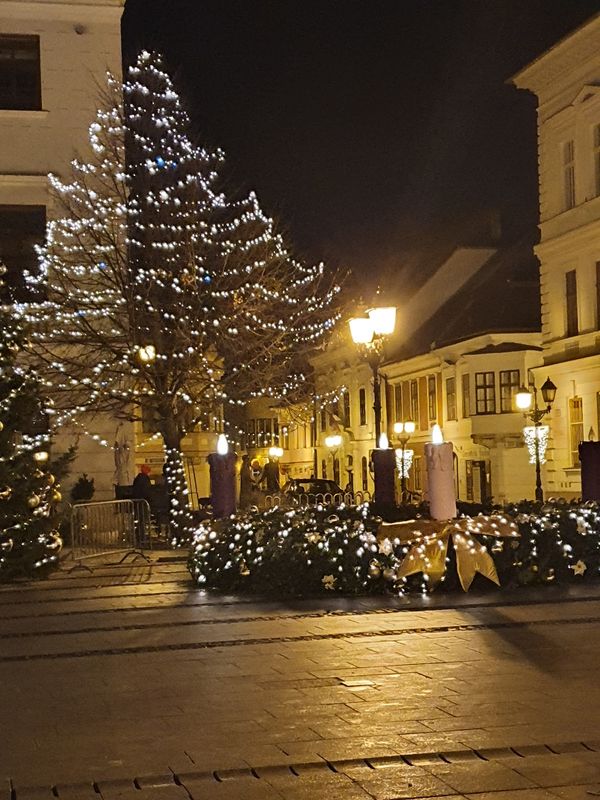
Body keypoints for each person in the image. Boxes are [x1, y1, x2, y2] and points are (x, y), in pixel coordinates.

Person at [132, 464, 152, 544]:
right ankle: (141, 537)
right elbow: (147, 491)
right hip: (142, 502)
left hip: (138, 502)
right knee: (142, 520)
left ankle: (140, 537)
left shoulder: (138, 478)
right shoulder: (144, 479)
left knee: (139, 520)